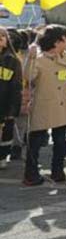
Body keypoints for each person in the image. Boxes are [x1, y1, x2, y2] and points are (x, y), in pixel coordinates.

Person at [24, 26, 66, 186]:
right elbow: (27, 77)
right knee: (35, 141)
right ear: (58, 41)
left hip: (63, 106)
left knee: (61, 141)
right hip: (44, 104)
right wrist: (30, 57)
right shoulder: (39, 59)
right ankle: (31, 174)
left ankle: (58, 171)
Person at [0, 28, 23, 166]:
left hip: (4, 104)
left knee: (6, 133)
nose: (0, 38)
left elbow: (16, 87)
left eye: (3, 35)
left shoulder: (13, 60)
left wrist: (13, 109)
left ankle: (2, 158)